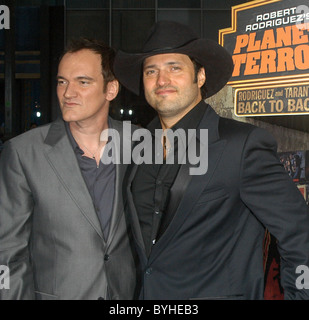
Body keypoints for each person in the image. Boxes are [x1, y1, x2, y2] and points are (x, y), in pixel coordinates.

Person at [113, 21, 309, 300]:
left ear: (200, 76)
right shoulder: (136, 148)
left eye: (174, 67)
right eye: (151, 71)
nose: (161, 80)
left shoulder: (242, 146)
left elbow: (300, 234)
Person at [0, 38, 138, 300]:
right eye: (62, 81)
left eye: (82, 82)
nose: (68, 93)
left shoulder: (140, 143)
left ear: (111, 89)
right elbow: (7, 252)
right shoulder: (23, 152)